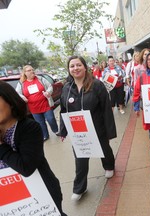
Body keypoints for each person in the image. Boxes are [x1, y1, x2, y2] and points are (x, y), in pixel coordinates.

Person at [0, 81, 67, 215]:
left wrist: (1, 146)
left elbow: (26, 167)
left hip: (40, 197)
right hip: (9, 199)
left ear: (11, 102)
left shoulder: (29, 128)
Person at [59, 56, 116, 201]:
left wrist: (110, 131)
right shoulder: (66, 87)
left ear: (85, 67)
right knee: (80, 160)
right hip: (79, 132)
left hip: (97, 128)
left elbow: (106, 109)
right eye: (72, 66)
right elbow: (64, 109)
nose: (75, 68)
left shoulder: (97, 85)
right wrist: (63, 130)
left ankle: (109, 166)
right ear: (69, 69)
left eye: (78, 65)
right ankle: (80, 188)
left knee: (105, 150)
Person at [15, 65, 60, 141]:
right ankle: (45, 135)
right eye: (29, 70)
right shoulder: (21, 83)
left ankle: (56, 131)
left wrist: (48, 92)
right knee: (40, 122)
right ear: (25, 73)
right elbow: (17, 92)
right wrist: (23, 97)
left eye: (32, 70)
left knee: (51, 119)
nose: (32, 71)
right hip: (34, 107)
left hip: (46, 105)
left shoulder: (40, 79)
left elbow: (50, 86)